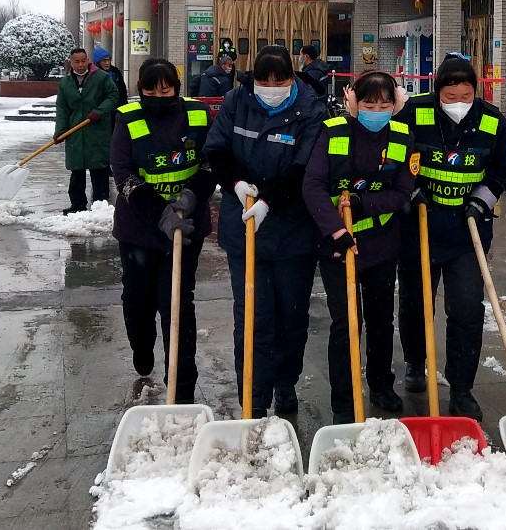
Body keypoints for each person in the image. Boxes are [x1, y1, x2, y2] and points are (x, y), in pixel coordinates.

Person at [204, 44, 325, 417]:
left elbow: (306, 167)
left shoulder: (311, 109)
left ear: (292, 77)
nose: (271, 87)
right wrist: (237, 184)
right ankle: (253, 397)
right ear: (252, 78)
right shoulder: (236, 102)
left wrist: (269, 200)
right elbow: (217, 150)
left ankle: (285, 383)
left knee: (291, 316)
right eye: (264, 80)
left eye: (280, 80)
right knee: (253, 317)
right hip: (245, 228)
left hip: (293, 229)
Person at [395, 55, 506, 420]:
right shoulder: (416, 113)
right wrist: (410, 190)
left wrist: (483, 199)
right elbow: (394, 154)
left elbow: (505, 166)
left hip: (467, 228)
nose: (459, 103)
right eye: (450, 97)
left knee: (466, 307)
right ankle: (416, 361)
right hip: (420, 224)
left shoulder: (492, 120)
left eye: (466, 96)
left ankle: (462, 389)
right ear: (437, 93)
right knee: (416, 302)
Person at [302, 71, 415, 425]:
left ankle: (381, 384)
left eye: (384, 104)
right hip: (338, 245)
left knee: (381, 319)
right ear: (353, 101)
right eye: (369, 103)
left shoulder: (401, 135)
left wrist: (366, 204)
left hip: (382, 243)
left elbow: (402, 191)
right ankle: (344, 399)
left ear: (395, 104)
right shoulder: (334, 132)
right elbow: (313, 186)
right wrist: (336, 231)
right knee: (346, 321)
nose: (376, 111)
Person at [111, 58, 216, 402]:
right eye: (151, 91)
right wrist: (161, 213)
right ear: (140, 90)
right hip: (139, 229)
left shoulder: (198, 114)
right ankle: (142, 349)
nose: (159, 96)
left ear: (176, 88)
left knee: (177, 304)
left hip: (187, 225)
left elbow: (211, 161)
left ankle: (181, 386)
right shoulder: (128, 119)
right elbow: (123, 173)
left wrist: (190, 197)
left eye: (166, 89)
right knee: (138, 301)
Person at [54, 47, 120, 214]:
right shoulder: (65, 83)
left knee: (99, 170)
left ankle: (100, 204)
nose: (80, 65)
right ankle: (77, 205)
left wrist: (99, 111)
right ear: (71, 62)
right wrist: (60, 132)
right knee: (77, 171)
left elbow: (113, 96)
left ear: (88, 61)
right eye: (76, 62)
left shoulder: (101, 77)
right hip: (75, 132)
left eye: (83, 61)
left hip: (97, 131)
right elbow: (62, 109)